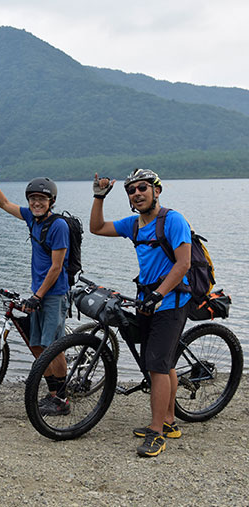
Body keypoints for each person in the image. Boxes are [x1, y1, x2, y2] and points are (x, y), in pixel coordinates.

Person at [89, 168, 191, 458]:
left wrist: (160, 294)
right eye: (132, 191)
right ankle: (169, 420)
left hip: (170, 302)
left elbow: (182, 264)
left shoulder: (173, 220)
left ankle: (156, 432)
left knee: (156, 365)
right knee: (161, 362)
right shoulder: (134, 225)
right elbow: (97, 228)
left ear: (156, 191)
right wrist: (99, 197)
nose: (137, 193)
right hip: (146, 300)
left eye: (143, 188)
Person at [0, 163, 70, 416]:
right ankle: (53, 393)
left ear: (51, 201)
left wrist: (38, 296)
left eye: (41, 199)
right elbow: (4, 204)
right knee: (39, 346)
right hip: (38, 293)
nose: (36, 203)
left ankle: (62, 400)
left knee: (53, 346)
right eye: (32, 199)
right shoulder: (32, 218)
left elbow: (56, 267)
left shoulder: (59, 226)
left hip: (53, 294)